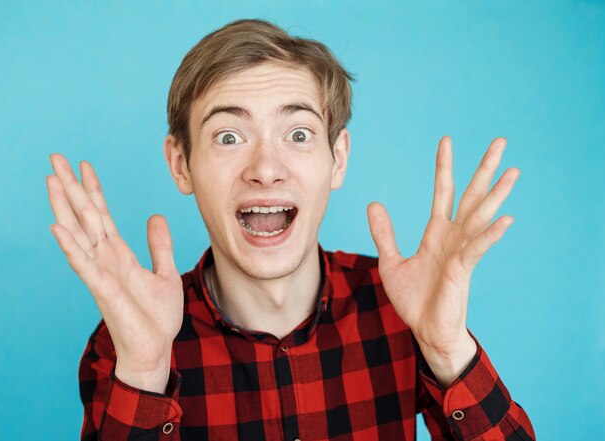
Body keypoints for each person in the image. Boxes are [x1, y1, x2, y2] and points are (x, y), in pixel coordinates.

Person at [47, 19, 535, 441]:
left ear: (337, 158)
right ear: (182, 165)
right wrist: (146, 373)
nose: (266, 168)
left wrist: (449, 352)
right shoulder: (125, 344)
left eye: (298, 134)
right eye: (229, 137)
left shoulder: (402, 310)